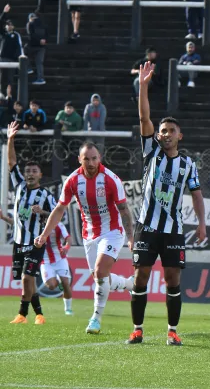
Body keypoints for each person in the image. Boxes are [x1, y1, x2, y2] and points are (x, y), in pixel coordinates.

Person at [127, 61, 207, 346]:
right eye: (162, 130)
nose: (165, 133)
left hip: (173, 229)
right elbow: (143, 117)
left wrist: (201, 223)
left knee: (173, 279)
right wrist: (143, 85)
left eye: (171, 130)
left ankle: (172, 330)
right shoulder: (151, 152)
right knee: (141, 277)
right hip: (146, 226)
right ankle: (137, 329)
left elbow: (197, 195)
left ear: (179, 136)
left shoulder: (188, 164)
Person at [34, 142, 135, 334]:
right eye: (86, 158)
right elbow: (59, 210)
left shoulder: (111, 179)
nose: (90, 162)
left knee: (100, 270)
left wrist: (131, 238)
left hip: (113, 231)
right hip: (89, 234)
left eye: (94, 158)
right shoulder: (73, 181)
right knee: (99, 278)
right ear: (79, 159)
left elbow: (124, 210)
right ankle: (129, 284)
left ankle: (95, 318)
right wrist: (44, 235)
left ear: (100, 159)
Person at [6, 121, 55, 325]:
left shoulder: (45, 195)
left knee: (28, 279)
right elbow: (11, 163)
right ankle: (39, 315)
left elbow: (57, 214)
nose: (30, 173)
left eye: (34, 171)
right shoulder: (18, 186)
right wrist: (10, 139)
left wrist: (42, 211)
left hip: (36, 242)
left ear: (40, 175)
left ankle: (22, 314)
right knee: (26, 280)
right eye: (28, 171)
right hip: (18, 242)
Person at [41, 222, 74, 315]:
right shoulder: (37, 225)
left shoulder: (58, 224)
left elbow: (68, 238)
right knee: (51, 286)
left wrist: (66, 247)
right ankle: (58, 281)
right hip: (45, 261)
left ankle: (68, 309)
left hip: (60, 258)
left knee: (66, 283)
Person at [0, 5, 25, 95]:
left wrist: (20, 56)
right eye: (7, 25)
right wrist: (4, 12)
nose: (8, 26)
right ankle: (1, 93)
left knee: (10, 79)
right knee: (2, 77)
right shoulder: (3, 34)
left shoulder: (16, 35)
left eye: (10, 24)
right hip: (3, 58)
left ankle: (9, 95)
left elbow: (20, 46)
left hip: (12, 59)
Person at [26, 13, 47, 85]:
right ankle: (41, 78)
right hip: (42, 46)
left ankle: (28, 68)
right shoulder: (43, 24)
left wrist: (39, 40)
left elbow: (31, 34)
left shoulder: (30, 24)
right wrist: (44, 40)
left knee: (23, 51)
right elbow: (47, 34)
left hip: (32, 46)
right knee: (39, 62)